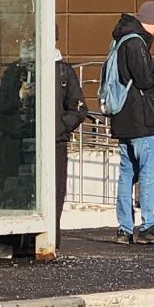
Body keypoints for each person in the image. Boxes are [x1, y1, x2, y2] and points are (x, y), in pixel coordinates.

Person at [110, 1, 154, 245]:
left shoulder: (120, 41)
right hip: (140, 120)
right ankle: (148, 226)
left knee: (126, 175)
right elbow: (144, 80)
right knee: (149, 173)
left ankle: (124, 229)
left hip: (122, 119)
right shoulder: (135, 43)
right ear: (149, 23)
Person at [55, 49, 89, 248]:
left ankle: (51, 239)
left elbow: (78, 107)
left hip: (55, 142)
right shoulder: (21, 70)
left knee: (56, 192)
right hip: (27, 140)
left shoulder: (63, 72)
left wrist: (59, 127)